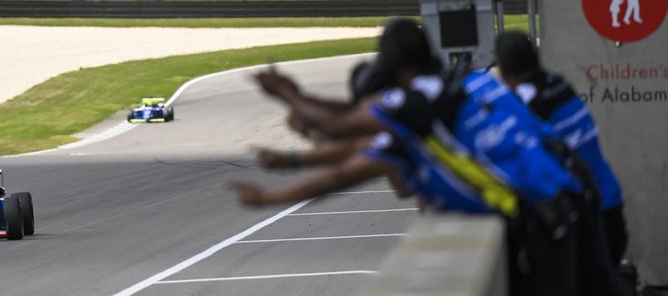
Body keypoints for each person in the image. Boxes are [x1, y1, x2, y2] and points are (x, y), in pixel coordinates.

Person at [239, 18, 629, 296]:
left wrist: (288, 97)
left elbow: (343, 134)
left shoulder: (415, 103)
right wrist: (292, 159)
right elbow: (355, 148)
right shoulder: (459, 86)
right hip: (573, 194)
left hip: (545, 217)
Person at [494, 32, 629, 266]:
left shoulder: (528, 102)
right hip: (609, 200)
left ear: (504, 69)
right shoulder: (559, 83)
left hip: (587, 215)